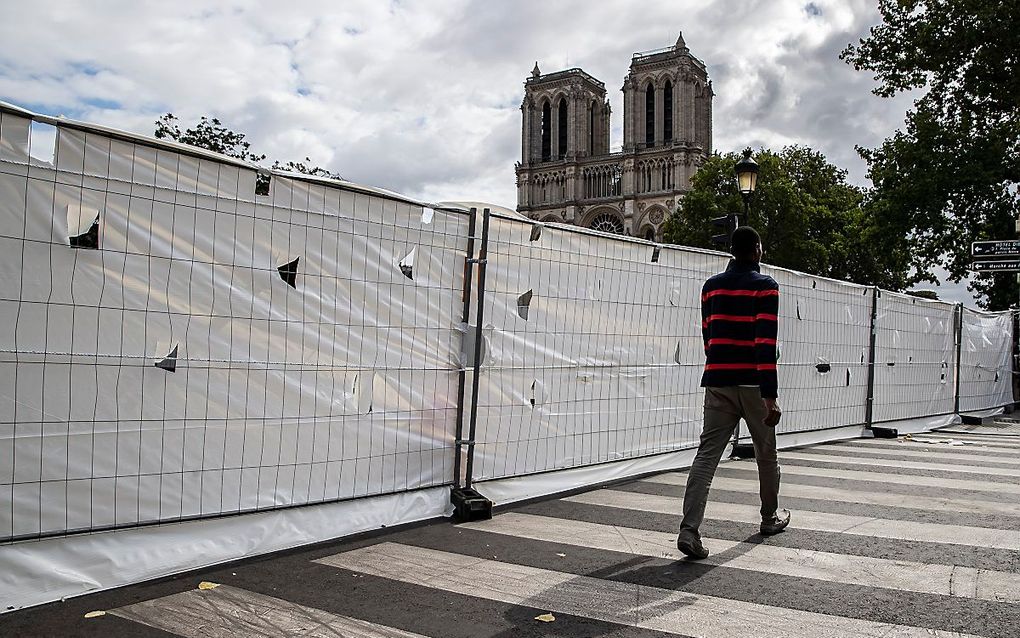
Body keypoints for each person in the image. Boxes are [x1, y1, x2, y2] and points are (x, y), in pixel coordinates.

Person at [677, 225, 789, 560]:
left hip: (717, 381)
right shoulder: (766, 287)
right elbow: (764, 344)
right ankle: (769, 518)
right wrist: (770, 396)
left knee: (707, 456)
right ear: (756, 249)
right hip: (754, 385)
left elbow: (707, 337)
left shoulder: (710, 288)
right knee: (766, 455)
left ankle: (689, 529)